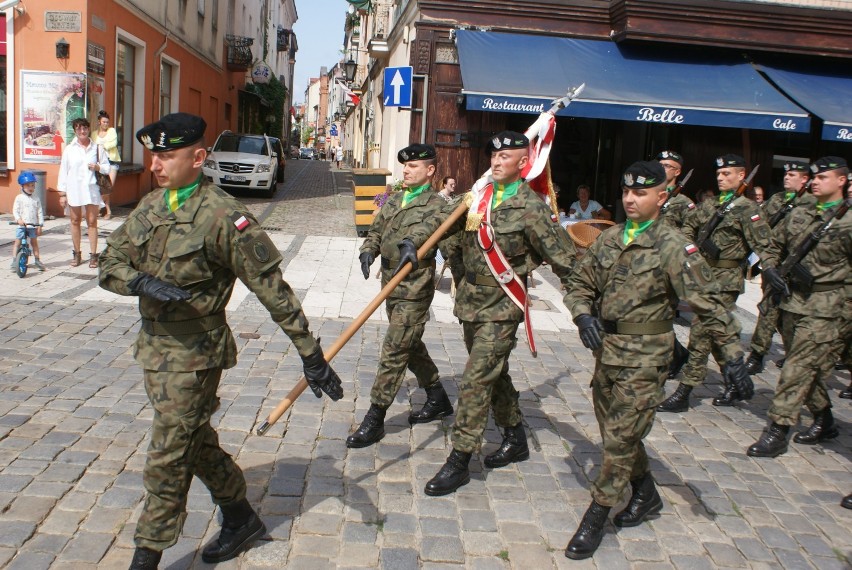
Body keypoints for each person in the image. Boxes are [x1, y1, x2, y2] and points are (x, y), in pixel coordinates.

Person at [98, 113, 343, 570]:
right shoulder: (154, 206)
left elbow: (271, 287)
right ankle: (240, 517)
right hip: (154, 351)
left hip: (195, 357)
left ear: (197, 157)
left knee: (167, 455)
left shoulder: (223, 216)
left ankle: (146, 557)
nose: (156, 164)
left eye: (167, 156)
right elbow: (109, 261)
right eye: (154, 155)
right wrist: (138, 283)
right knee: (194, 439)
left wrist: (310, 353)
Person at [563, 161, 751, 560]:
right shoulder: (609, 238)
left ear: (661, 197)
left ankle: (597, 513)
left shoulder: (672, 245)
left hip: (647, 358)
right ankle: (646, 494)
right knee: (616, 432)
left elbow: (710, 304)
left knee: (621, 439)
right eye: (627, 192)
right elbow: (580, 283)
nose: (630, 199)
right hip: (608, 353)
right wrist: (582, 314)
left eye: (642, 193)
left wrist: (733, 356)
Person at [423, 131, 577, 496]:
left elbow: (564, 258)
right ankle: (515, 436)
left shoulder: (531, 207)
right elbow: (454, 239)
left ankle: (460, 459)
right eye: (494, 155)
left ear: (524, 163)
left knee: (476, 380)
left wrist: (587, 306)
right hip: (472, 304)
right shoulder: (478, 197)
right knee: (495, 373)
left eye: (506, 157)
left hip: (503, 306)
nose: (496, 161)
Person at [348, 144, 455, 449]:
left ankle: (375, 418)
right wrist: (368, 251)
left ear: (430, 171)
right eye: (405, 167)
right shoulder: (396, 198)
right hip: (389, 284)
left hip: (414, 286)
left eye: (414, 167)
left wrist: (412, 242)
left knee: (395, 349)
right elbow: (376, 230)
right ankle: (438, 398)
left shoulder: (438, 205)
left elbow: (431, 229)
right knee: (410, 344)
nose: (406, 171)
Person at [747, 156, 850, 458]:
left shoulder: (848, 222)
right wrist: (771, 269)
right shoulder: (800, 213)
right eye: (814, 178)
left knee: (796, 368)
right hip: (791, 301)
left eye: (823, 177)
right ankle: (824, 418)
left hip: (827, 307)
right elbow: (771, 244)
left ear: (841, 181)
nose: (815, 182)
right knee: (808, 369)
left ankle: (778, 429)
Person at [658, 154, 772, 412]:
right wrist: (692, 250)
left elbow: (764, 244)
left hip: (726, 280)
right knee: (717, 334)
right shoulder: (710, 206)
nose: (721, 178)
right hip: (703, 276)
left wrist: (772, 270)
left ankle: (684, 392)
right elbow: (688, 228)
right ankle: (733, 379)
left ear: (742, 176)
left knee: (700, 333)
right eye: (719, 174)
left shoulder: (748, 209)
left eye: (727, 174)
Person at [744, 161, 814, 374]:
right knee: (768, 309)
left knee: (790, 315)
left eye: (792, 174)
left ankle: (794, 354)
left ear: (804, 179)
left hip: (799, 269)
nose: (786, 177)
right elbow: (761, 226)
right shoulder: (776, 200)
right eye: (785, 173)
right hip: (774, 264)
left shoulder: (811, 203)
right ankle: (757, 355)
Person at [655, 150, 695, 380]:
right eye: (660, 164)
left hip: (668, 265)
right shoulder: (654, 194)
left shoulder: (683, 203)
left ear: (678, 171)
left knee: (662, 315)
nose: (662, 168)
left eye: (667, 165)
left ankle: (675, 355)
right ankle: (675, 353)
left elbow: (688, 236)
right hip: (647, 262)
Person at [57, 117, 109, 268]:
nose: (82, 131)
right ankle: (77, 253)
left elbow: (106, 167)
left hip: (91, 189)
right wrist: (62, 194)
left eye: (85, 128)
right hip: (74, 189)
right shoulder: (69, 149)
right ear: (75, 131)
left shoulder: (97, 148)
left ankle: (93, 255)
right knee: (75, 221)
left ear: (88, 129)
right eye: (79, 128)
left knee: (92, 222)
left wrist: (98, 167)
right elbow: (63, 171)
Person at [11, 171, 46, 271]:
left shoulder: (36, 199)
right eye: (28, 186)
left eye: (32, 185)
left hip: (32, 226)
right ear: (22, 186)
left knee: (34, 242)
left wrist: (40, 225)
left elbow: (39, 212)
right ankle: (14, 260)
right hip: (22, 226)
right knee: (17, 242)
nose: (31, 188)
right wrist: (18, 219)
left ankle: (37, 259)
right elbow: (15, 210)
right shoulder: (19, 198)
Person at [93, 110, 121, 219]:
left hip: (111, 161)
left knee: (108, 187)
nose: (106, 124)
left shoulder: (112, 131)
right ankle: (108, 210)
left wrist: (101, 145)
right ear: (99, 122)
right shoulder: (94, 134)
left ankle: (101, 208)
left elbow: (113, 143)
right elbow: (93, 146)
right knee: (101, 187)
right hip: (100, 163)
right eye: (104, 122)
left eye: (107, 122)